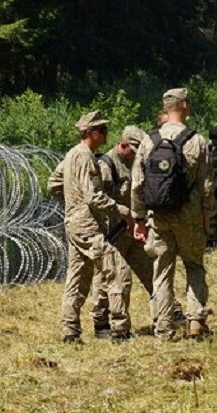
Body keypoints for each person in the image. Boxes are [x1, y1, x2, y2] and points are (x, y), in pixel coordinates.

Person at [131, 88, 214, 340]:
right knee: (194, 265)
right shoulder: (196, 140)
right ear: (185, 105)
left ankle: (164, 326)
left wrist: (138, 218)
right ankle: (195, 321)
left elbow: (137, 184)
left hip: (159, 215)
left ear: (165, 108)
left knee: (162, 270)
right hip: (189, 214)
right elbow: (206, 185)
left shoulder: (149, 140)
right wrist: (207, 215)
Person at [89, 125, 181, 340]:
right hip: (114, 233)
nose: (137, 154)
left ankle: (169, 312)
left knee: (150, 270)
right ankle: (103, 321)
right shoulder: (106, 166)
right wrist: (121, 215)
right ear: (123, 145)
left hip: (133, 231)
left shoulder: (137, 163)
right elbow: (97, 199)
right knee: (112, 279)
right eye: (133, 150)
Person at [48, 110, 131, 343]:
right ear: (91, 132)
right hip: (88, 226)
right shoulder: (85, 157)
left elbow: (53, 183)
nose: (106, 134)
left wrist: (71, 204)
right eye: (102, 130)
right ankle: (120, 329)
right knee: (116, 271)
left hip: (75, 224)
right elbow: (93, 197)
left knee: (77, 278)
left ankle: (70, 331)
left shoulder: (72, 154)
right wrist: (122, 211)